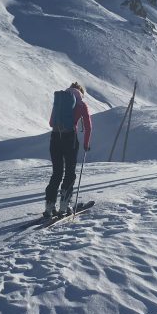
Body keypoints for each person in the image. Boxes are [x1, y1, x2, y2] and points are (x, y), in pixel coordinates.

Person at [45, 82, 92, 217]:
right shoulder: (81, 104)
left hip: (55, 137)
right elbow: (88, 126)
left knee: (57, 173)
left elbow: (50, 123)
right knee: (70, 173)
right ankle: (64, 206)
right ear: (81, 93)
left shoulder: (60, 101)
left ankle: (49, 207)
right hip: (70, 138)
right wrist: (86, 144)